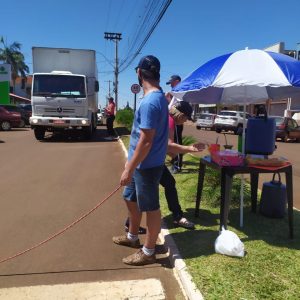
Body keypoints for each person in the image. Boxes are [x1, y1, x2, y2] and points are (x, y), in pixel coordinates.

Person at [113, 55, 169, 266]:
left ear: (139, 73)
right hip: (143, 164)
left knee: (151, 208)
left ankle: (149, 250)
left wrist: (129, 167)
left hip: (146, 165)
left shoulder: (151, 102)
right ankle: (132, 237)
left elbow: (146, 142)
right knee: (130, 198)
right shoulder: (157, 98)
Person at [124, 101, 206, 233]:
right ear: (180, 115)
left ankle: (131, 224)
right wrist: (188, 149)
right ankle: (176, 217)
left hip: (146, 160)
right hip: (149, 162)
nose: (185, 121)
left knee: (139, 193)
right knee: (147, 196)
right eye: (186, 118)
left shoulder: (166, 118)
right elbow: (168, 145)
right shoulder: (170, 121)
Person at [166, 75, 183, 174]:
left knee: (177, 142)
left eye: (172, 83)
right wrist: (169, 99)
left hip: (177, 120)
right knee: (173, 141)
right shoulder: (176, 92)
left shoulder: (180, 92)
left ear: (177, 81)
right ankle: (174, 161)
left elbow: (181, 105)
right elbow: (172, 106)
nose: (171, 85)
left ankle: (178, 165)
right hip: (172, 119)